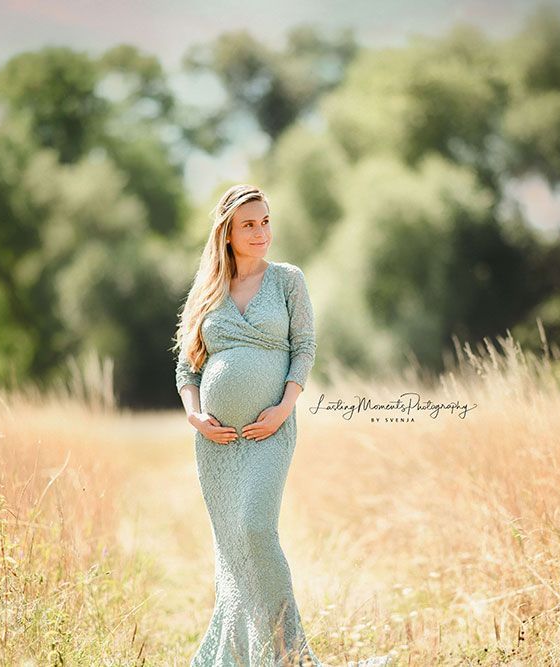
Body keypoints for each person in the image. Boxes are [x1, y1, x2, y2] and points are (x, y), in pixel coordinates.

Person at [172, 184, 391, 666]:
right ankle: (235, 656)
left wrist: (284, 407)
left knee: (255, 530)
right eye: (249, 224)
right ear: (226, 233)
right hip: (216, 443)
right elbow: (187, 367)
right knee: (232, 548)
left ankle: (289, 654)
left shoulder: (287, 280)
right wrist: (195, 414)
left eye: (266, 221)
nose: (261, 232)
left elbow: (304, 348)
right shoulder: (207, 290)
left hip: (270, 430)